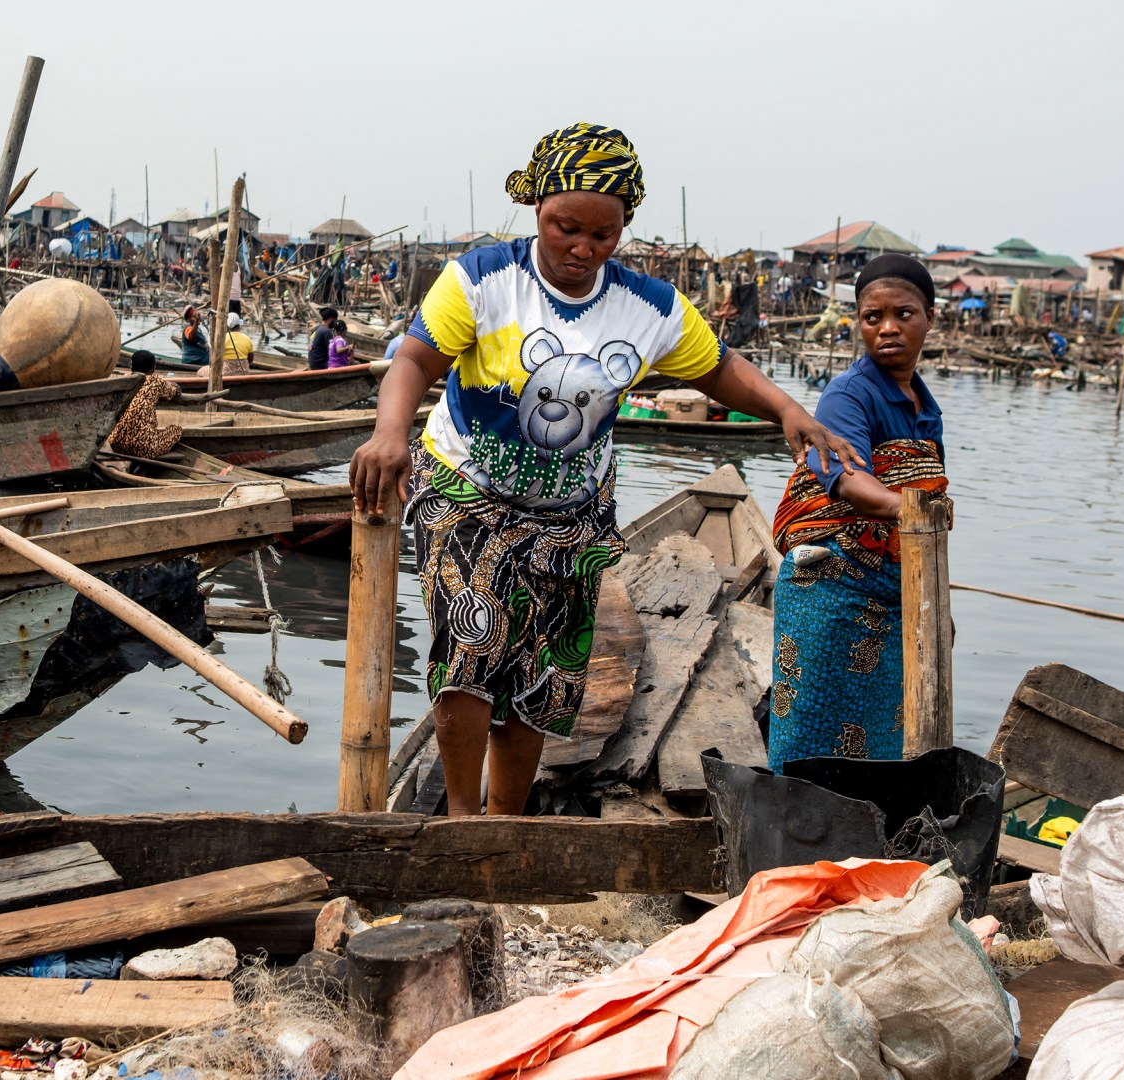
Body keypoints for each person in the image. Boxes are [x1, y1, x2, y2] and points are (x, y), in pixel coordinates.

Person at [349, 122, 856, 817]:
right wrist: (388, 435)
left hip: (572, 514)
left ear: (623, 230)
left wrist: (787, 411)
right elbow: (413, 360)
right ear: (537, 210)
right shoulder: (482, 278)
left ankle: (506, 824)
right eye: (566, 229)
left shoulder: (647, 308)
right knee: (469, 655)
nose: (582, 249)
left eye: (603, 235)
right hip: (468, 491)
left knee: (544, 678)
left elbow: (720, 370)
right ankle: (463, 821)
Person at [766, 254, 948, 773]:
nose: (887, 328)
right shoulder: (849, 393)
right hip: (832, 590)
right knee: (812, 736)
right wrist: (911, 511)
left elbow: (923, 487)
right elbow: (847, 480)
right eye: (873, 317)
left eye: (903, 314)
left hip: (895, 594)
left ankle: (864, 847)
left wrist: (936, 600)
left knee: (885, 741)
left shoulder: (924, 406)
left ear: (929, 318)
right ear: (859, 323)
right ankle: (799, 839)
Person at [107, 350, 185, 458]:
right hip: (144, 449)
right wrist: (174, 385)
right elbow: (173, 391)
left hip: (115, 443)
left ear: (131, 368)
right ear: (153, 368)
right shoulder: (155, 381)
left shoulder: (126, 378)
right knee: (176, 430)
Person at [220, 311, 254, 376]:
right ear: (239, 325)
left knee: (201, 371)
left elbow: (216, 358)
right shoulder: (247, 338)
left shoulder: (223, 338)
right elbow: (250, 359)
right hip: (244, 372)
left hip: (225, 373)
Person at [307, 306, 338, 370]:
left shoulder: (319, 329)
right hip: (320, 365)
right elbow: (332, 351)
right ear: (330, 319)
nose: (335, 323)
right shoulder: (327, 331)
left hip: (312, 363)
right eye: (335, 320)